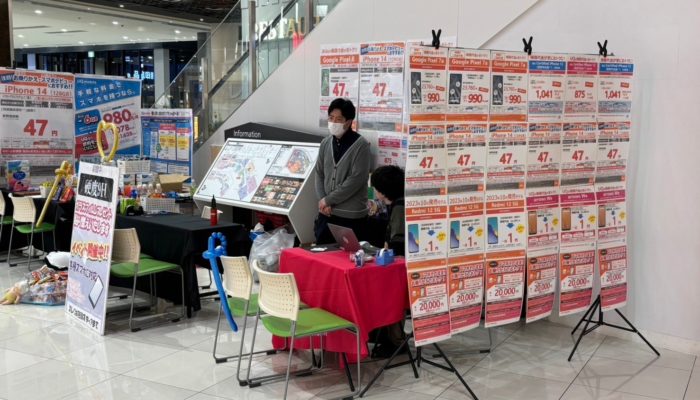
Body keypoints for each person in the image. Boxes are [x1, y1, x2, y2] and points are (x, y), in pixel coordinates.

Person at [314, 98, 371, 244]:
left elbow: (356, 180)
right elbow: (319, 173)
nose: (333, 122)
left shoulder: (361, 145)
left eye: (338, 119)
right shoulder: (325, 143)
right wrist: (323, 201)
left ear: (348, 121)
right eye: (331, 118)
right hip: (326, 213)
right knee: (322, 253)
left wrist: (328, 200)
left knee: (349, 256)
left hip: (350, 216)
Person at [369, 165, 407, 358]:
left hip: (399, 267)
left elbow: (397, 244)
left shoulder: (399, 207)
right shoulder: (397, 204)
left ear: (382, 191)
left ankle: (394, 340)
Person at [370, 165, 405, 256]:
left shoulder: (399, 208)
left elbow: (397, 241)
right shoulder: (395, 203)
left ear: (382, 191)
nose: (374, 190)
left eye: (375, 188)